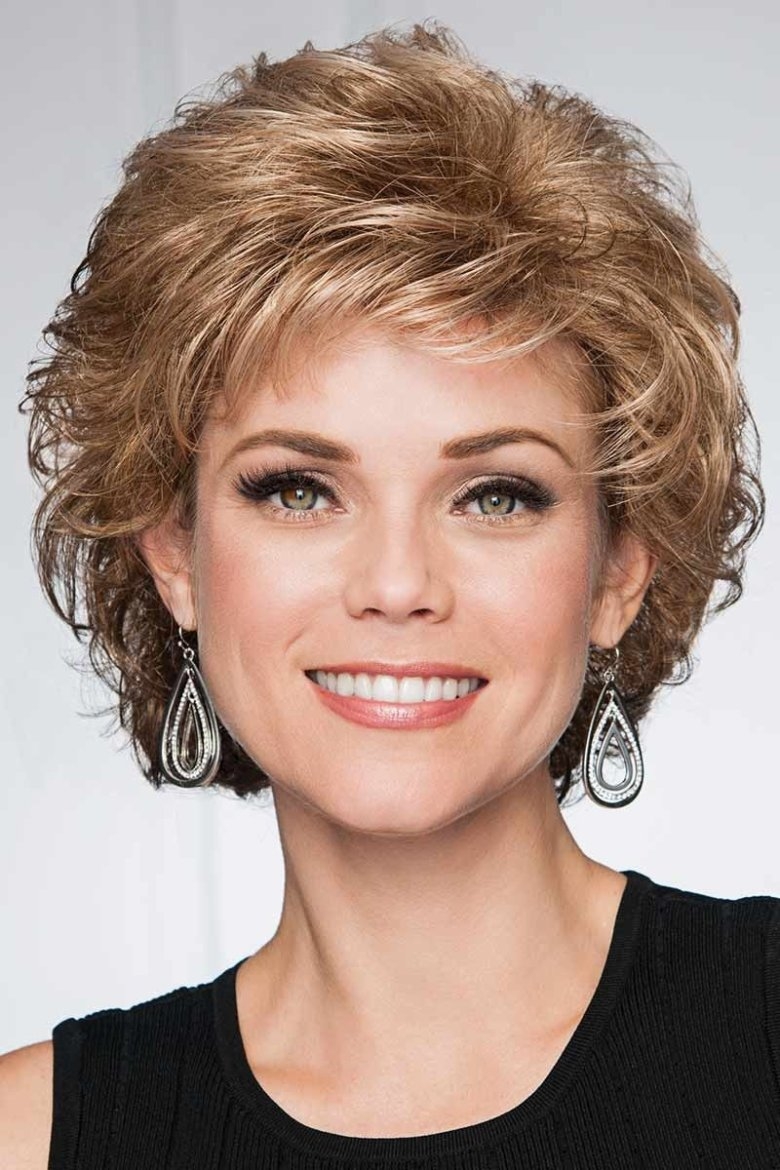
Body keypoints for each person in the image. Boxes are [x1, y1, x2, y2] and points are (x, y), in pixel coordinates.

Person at [2, 18, 779, 1169]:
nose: (399, 585)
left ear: (621, 569)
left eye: (496, 495)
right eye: (299, 489)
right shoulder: (30, 1137)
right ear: (175, 555)